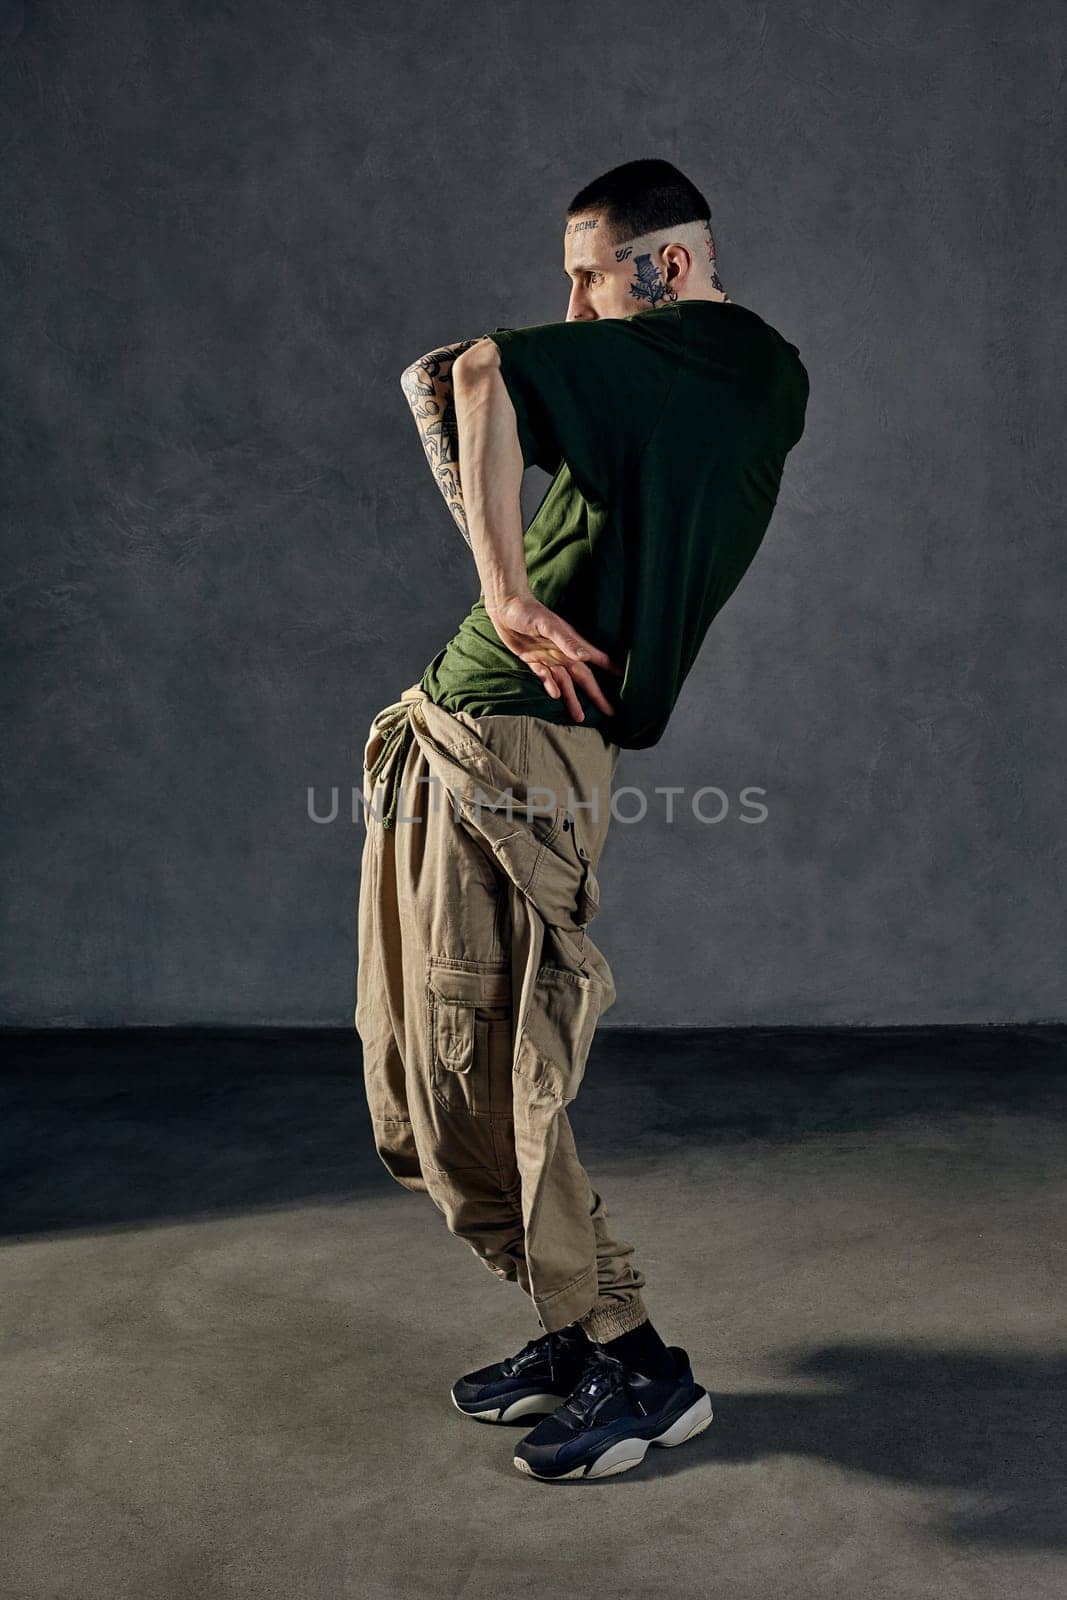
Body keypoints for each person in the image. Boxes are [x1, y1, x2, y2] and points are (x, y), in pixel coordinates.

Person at [355, 157, 809, 1481]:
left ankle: (637, 1367)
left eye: (588, 272)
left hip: (515, 755)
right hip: (463, 735)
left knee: (485, 1069)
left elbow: (475, 368)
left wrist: (501, 592)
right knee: (424, 1058)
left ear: (664, 265)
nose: (572, 298)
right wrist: (506, 581)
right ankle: (569, 1326)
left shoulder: (705, 359)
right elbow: (438, 379)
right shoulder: (708, 381)